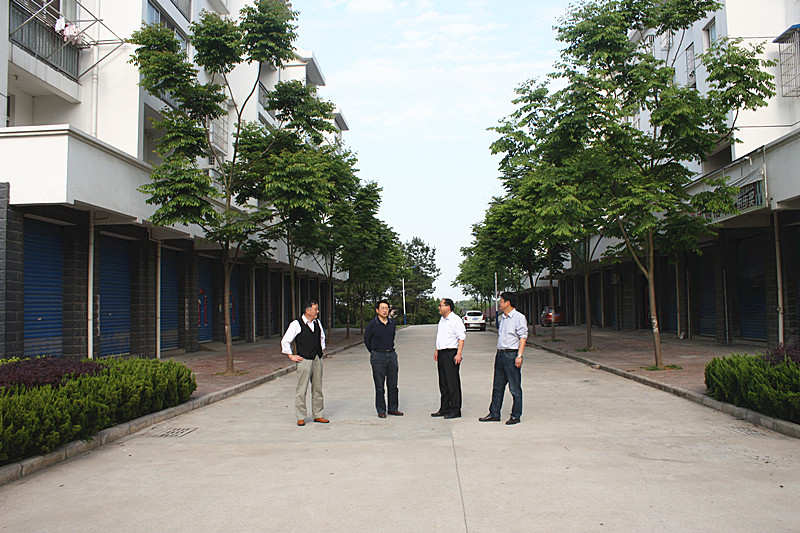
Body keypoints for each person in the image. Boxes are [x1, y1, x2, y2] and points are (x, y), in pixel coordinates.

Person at [479, 292, 527, 425]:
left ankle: (515, 415)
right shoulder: (503, 318)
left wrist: (519, 355)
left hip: (511, 355)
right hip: (500, 354)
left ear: (508, 303)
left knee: (514, 388)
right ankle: (494, 413)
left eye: (501, 301)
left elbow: (523, 337)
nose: (499, 304)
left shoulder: (519, 317)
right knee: (497, 386)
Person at [281, 299, 329, 426]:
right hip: (304, 360)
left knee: (317, 388)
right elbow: (285, 341)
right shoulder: (296, 324)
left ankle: (318, 414)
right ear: (308, 311)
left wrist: (321, 350)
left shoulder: (317, 323)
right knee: (301, 389)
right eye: (315, 309)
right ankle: (301, 416)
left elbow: (322, 337)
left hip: (317, 359)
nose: (317, 311)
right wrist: (291, 355)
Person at [364, 299, 403, 418]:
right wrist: (374, 352)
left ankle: (393, 408)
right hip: (378, 356)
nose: (385, 311)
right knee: (379, 385)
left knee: (393, 384)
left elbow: (392, 337)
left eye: (386, 308)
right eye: (382, 308)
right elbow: (367, 340)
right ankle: (381, 410)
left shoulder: (392, 323)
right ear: (377, 310)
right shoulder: (372, 324)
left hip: (391, 354)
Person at [432, 298, 466, 419]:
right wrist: (437, 350)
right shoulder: (442, 320)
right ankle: (444, 408)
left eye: (441, 305)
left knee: (452, 383)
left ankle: (455, 409)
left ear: (448, 307)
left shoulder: (456, 320)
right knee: (443, 383)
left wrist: (459, 353)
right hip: (442, 353)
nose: (439, 307)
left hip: (451, 353)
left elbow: (461, 337)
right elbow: (440, 337)